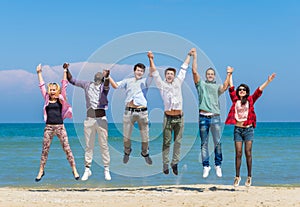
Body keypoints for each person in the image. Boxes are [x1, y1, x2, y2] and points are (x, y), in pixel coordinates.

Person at [225, 69, 276, 187]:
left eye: (244, 89)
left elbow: (259, 91)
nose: (241, 91)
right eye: (240, 89)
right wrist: (230, 74)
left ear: (247, 92)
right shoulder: (235, 100)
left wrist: (268, 81)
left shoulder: (251, 100)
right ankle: (237, 177)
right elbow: (231, 87)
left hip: (248, 129)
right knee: (238, 153)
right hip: (237, 130)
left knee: (248, 152)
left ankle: (249, 176)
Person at [147, 50, 191, 175]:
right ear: (165, 75)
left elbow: (183, 69)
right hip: (168, 117)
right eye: (168, 74)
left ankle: (175, 163)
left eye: (172, 74)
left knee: (178, 142)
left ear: (174, 75)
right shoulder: (161, 85)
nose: (170, 75)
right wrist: (151, 59)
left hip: (179, 117)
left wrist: (189, 55)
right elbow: (155, 73)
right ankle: (165, 163)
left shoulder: (178, 82)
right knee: (166, 142)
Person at [66, 63, 111, 181]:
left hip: (101, 119)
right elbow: (71, 80)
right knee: (88, 145)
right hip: (89, 120)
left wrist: (107, 77)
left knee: (103, 145)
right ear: (93, 77)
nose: (98, 76)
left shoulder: (104, 88)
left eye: (100, 76)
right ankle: (87, 169)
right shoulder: (87, 85)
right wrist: (67, 69)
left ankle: (106, 168)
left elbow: (106, 84)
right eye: (97, 75)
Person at [191, 48, 232, 178]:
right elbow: (194, 71)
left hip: (215, 117)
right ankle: (206, 166)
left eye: (211, 74)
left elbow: (225, 87)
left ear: (214, 76)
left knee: (217, 142)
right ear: (205, 75)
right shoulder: (201, 85)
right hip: (203, 117)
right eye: (208, 73)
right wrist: (195, 56)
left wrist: (229, 74)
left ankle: (218, 165)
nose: (210, 75)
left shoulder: (216, 87)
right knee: (204, 143)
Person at [35, 63, 79, 182]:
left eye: (55, 90)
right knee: (45, 150)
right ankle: (41, 170)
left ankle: (74, 169)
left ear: (57, 90)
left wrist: (65, 71)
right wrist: (39, 73)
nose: (53, 91)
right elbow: (41, 86)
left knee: (67, 149)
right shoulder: (46, 98)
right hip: (49, 128)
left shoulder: (61, 98)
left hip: (60, 127)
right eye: (51, 90)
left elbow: (64, 85)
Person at [108, 63, 153, 165]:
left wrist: (151, 59)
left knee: (145, 137)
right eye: (138, 70)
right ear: (134, 71)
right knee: (126, 137)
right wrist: (108, 76)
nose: (139, 72)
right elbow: (115, 86)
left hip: (142, 112)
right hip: (129, 112)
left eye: (141, 71)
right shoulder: (127, 81)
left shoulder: (145, 81)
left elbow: (151, 73)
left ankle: (145, 153)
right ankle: (127, 152)